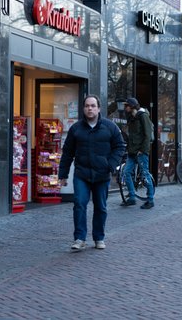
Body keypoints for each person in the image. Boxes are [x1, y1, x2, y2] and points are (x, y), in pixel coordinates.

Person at [58, 95, 126, 251]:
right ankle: (79, 238)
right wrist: (63, 174)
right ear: (83, 108)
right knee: (79, 205)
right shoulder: (76, 128)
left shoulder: (110, 127)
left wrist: (110, 165)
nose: (90, 108)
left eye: (93, 106)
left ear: (99, 108)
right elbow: (67, 152)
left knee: (100, 207)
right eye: (87, 106)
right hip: (81, 174)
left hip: (102, 175)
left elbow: (120, 146)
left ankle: (99, 238)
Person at [120, 97, 156, 209]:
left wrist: (143, 150)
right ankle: (132, 197)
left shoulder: (143, 116)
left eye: (126, 106)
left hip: (140, 152)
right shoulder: (132, 117)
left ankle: (150, 200)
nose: (125, 108)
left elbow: (148, 135)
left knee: (145, 174)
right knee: (126, 173)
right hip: (132, 151)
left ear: (131, 106)